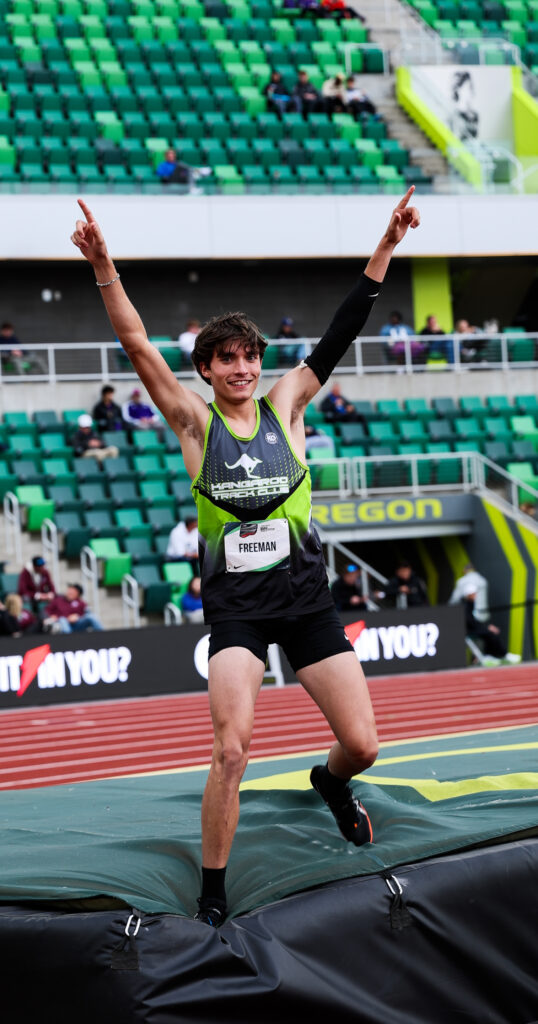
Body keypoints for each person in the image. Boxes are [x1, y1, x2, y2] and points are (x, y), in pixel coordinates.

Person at [70, 186, 420, 927]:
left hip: (305, 599)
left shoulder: (288, 403)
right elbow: (137, 346)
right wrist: (105, 267)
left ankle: (330, 784)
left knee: (362, 744)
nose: (242, 367)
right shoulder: (194, 423)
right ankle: (215, 893)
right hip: (237, 610)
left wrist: (387, 243)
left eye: (250, 355)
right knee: (232, 750)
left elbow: (341, 331)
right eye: (228, 358)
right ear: (206, 368)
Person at [456, 577, 521, 666]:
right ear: (469, 594)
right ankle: (500, 655)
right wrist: (486, 628)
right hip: (468, 630)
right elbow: (470, 622)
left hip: (472, 629)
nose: (476, 595)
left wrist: (486, 627)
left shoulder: (469, 604)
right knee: (489, 633)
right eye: (473, 593)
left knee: (489, 634)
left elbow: (473, 621)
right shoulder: (465, 605)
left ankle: (494, 655)